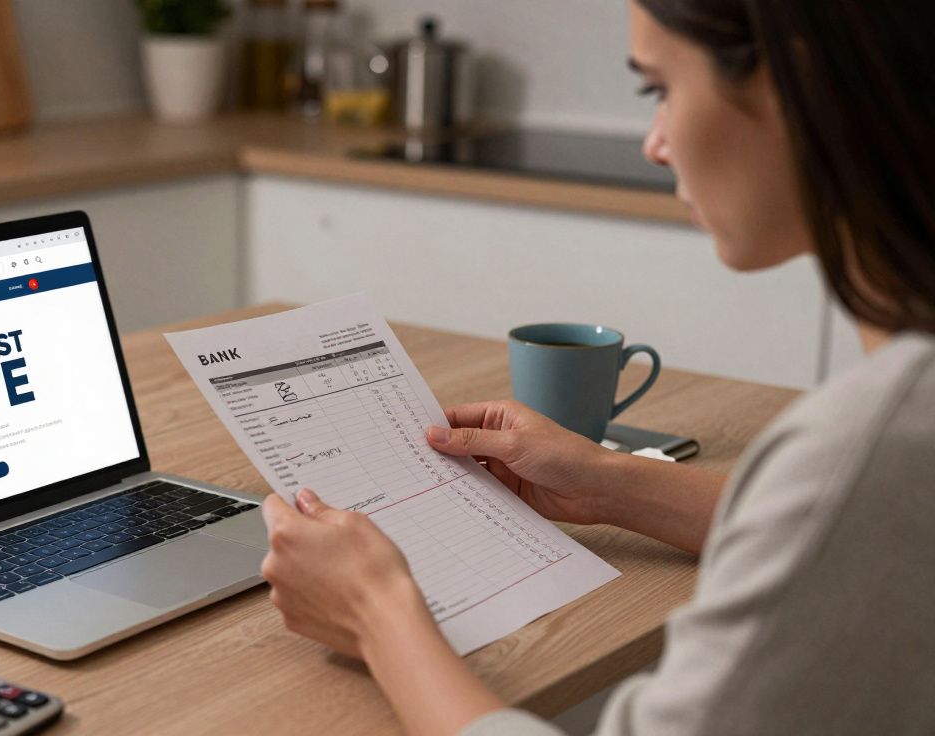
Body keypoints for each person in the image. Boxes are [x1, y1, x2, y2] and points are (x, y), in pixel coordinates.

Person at [258, 1, 935, 734]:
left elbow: (854, 495)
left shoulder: (883, 433)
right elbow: (860, 528)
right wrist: (609, 484)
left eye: (660, 90)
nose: (653, 142)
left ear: (800, 87)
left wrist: (375, 613)